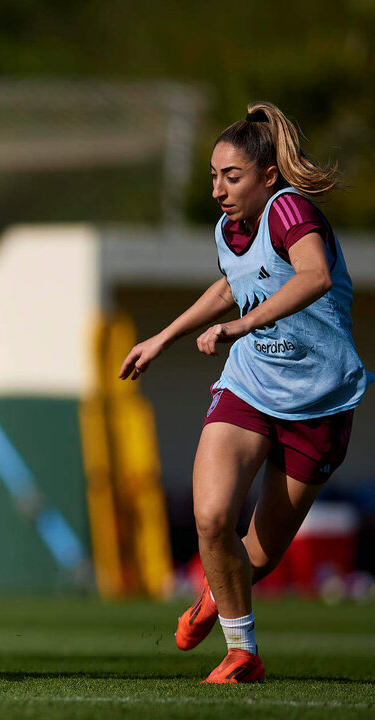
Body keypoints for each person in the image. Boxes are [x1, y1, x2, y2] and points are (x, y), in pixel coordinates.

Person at [119, 101, 370, 684]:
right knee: (211, 518)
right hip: (251, 385)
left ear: (267, 177)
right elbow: (231, 286)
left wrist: (241, 325)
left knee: (257, 555)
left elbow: (315, 276)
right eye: (213, 176)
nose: (218, 189)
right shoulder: (227, 226)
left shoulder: (290, 211)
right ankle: (242, 653)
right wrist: (163, 337)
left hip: (321, 401)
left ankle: (214, 596)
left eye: (231, 177)